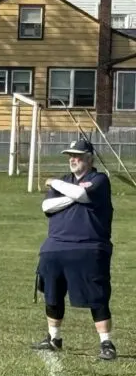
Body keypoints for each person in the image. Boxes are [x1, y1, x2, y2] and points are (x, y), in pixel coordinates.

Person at [33, 138, 117, 361]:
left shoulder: (99, 180)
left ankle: (106, 343)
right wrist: (74, 196)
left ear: (89, 159)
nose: (73, 159)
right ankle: (54, 338)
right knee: (52, 293)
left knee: (97, 296)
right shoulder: (65, 181)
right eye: (70, 156)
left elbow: (81, 194)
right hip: (55, 247)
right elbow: (47, 206)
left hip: (90, 246)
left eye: (77, 156)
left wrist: (54, 183)